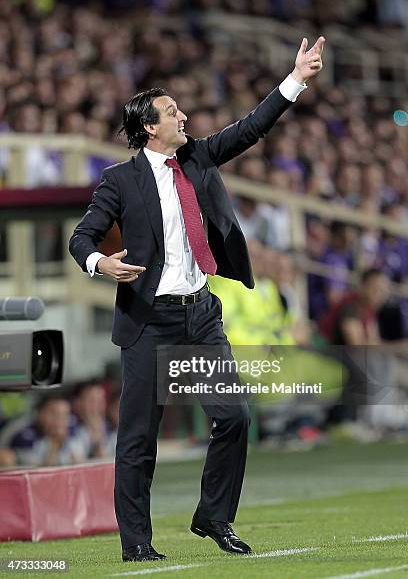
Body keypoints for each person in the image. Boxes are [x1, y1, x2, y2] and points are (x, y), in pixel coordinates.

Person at [69, 36, 325, 562]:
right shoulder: (119, 181)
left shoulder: (199, 157)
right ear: (148, 127)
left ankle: (213, 517)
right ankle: (137, 542)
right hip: (148, 320)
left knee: (233, 418)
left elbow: (251, 127)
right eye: (171, 111)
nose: (182, 115)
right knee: (138, 439)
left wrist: (295, 78)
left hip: (200, 315)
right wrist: (101, 263)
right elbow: (81, 238)